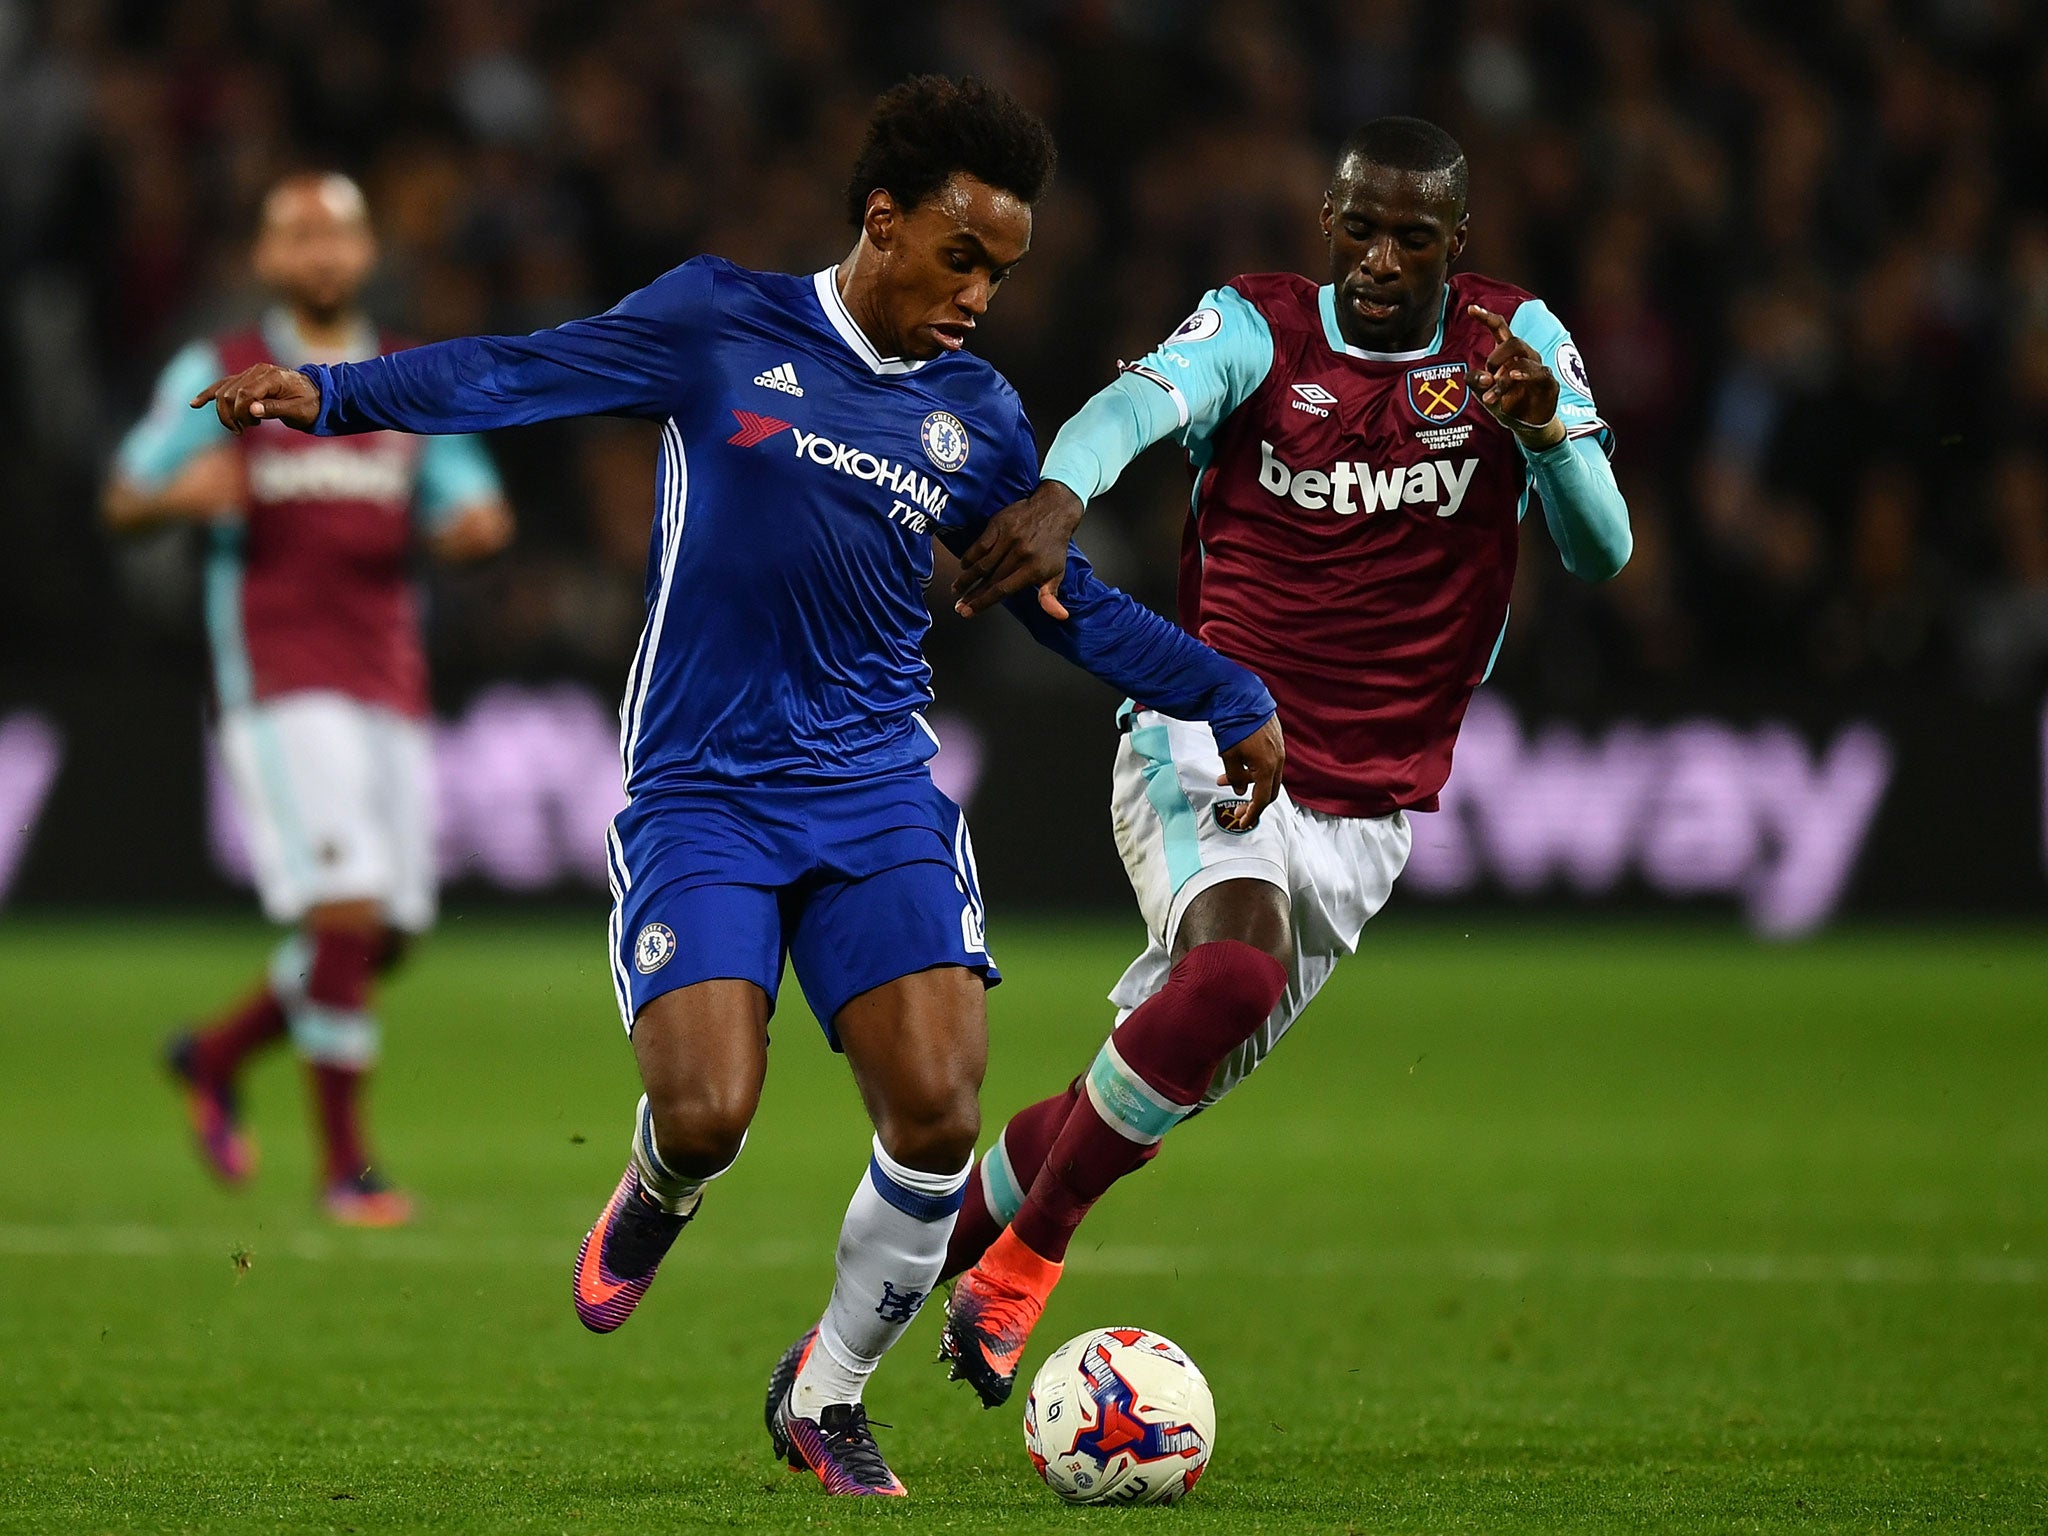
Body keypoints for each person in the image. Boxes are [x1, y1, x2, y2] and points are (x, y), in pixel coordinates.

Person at [191, 78, 1283, 1497]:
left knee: (941, 1111)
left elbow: (1056, 605)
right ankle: (658, 1188)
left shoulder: (979, 418)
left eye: (1002, 274)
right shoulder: (720, 321)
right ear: (881, 223)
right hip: (702, 792)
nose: (979, 297)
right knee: (709, 1110)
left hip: (876, 789)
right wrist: (334, 396)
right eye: (961, 258)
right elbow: (521, 371)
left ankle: (823, 1395)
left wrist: (1230, 690)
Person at [935, 116, 1633, 1407]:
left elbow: (1601, 552)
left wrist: (1552, 439)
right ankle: (1027, 1261)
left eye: (1411, 238)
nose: (1379, 258)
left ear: (1455, 246)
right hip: (1216, 732)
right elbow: (1136, 407)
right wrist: (1058, 499)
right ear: (1328, 224)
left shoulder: (1514, 345)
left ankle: (897, 1273)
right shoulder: (1258, 327)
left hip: (1370, 812)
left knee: (1152, 1079)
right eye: (1359, 228)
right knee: (1234, 968)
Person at [107, 173, 512, 1228]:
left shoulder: (398, 375)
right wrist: (169, 496)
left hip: (389, 678)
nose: (320, 252)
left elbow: (473, 500)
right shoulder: (224, 366)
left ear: (367, 252)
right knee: (346, 911)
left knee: (386, 932)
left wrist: (468, 527)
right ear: (267, 255)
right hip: (279, 678)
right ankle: (346, 1170)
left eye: (337, 234)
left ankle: (213, 1054)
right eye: (297, 235)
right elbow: (123, 494)